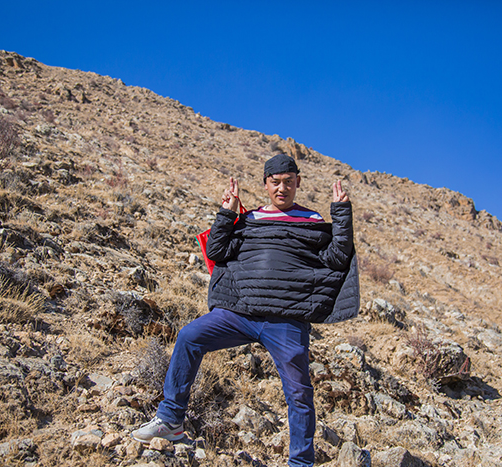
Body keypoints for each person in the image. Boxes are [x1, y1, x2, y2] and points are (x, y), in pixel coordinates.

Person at [132, 154, 359, 466]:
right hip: (239, 313)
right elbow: (217, 250)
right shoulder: (251, 219)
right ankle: (170, 420)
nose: (282, 188)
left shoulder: (312, 220)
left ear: (298, 183)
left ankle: (301, 462)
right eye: (275, 182)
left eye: (289, 182)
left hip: (286, 321)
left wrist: (341, 214)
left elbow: (337, 258)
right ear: (265, 184)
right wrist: (228, 213)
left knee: (299, 393)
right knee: (189, 337)